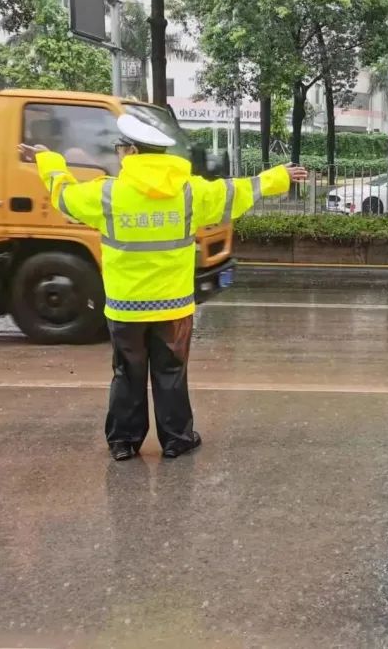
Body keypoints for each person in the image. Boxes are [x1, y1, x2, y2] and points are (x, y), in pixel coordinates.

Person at [19, 114, 309, 461]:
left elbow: (64, 196)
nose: (118, 152)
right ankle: (176, 439)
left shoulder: (107, 194)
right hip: (173, 307)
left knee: (127, 373)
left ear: (131, 152)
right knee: (171, 373)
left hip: (126, 307)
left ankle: (123, 442)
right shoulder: (189, 192)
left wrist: (47, 159)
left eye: (120, 147)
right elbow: (237, 191)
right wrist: (278, 176)